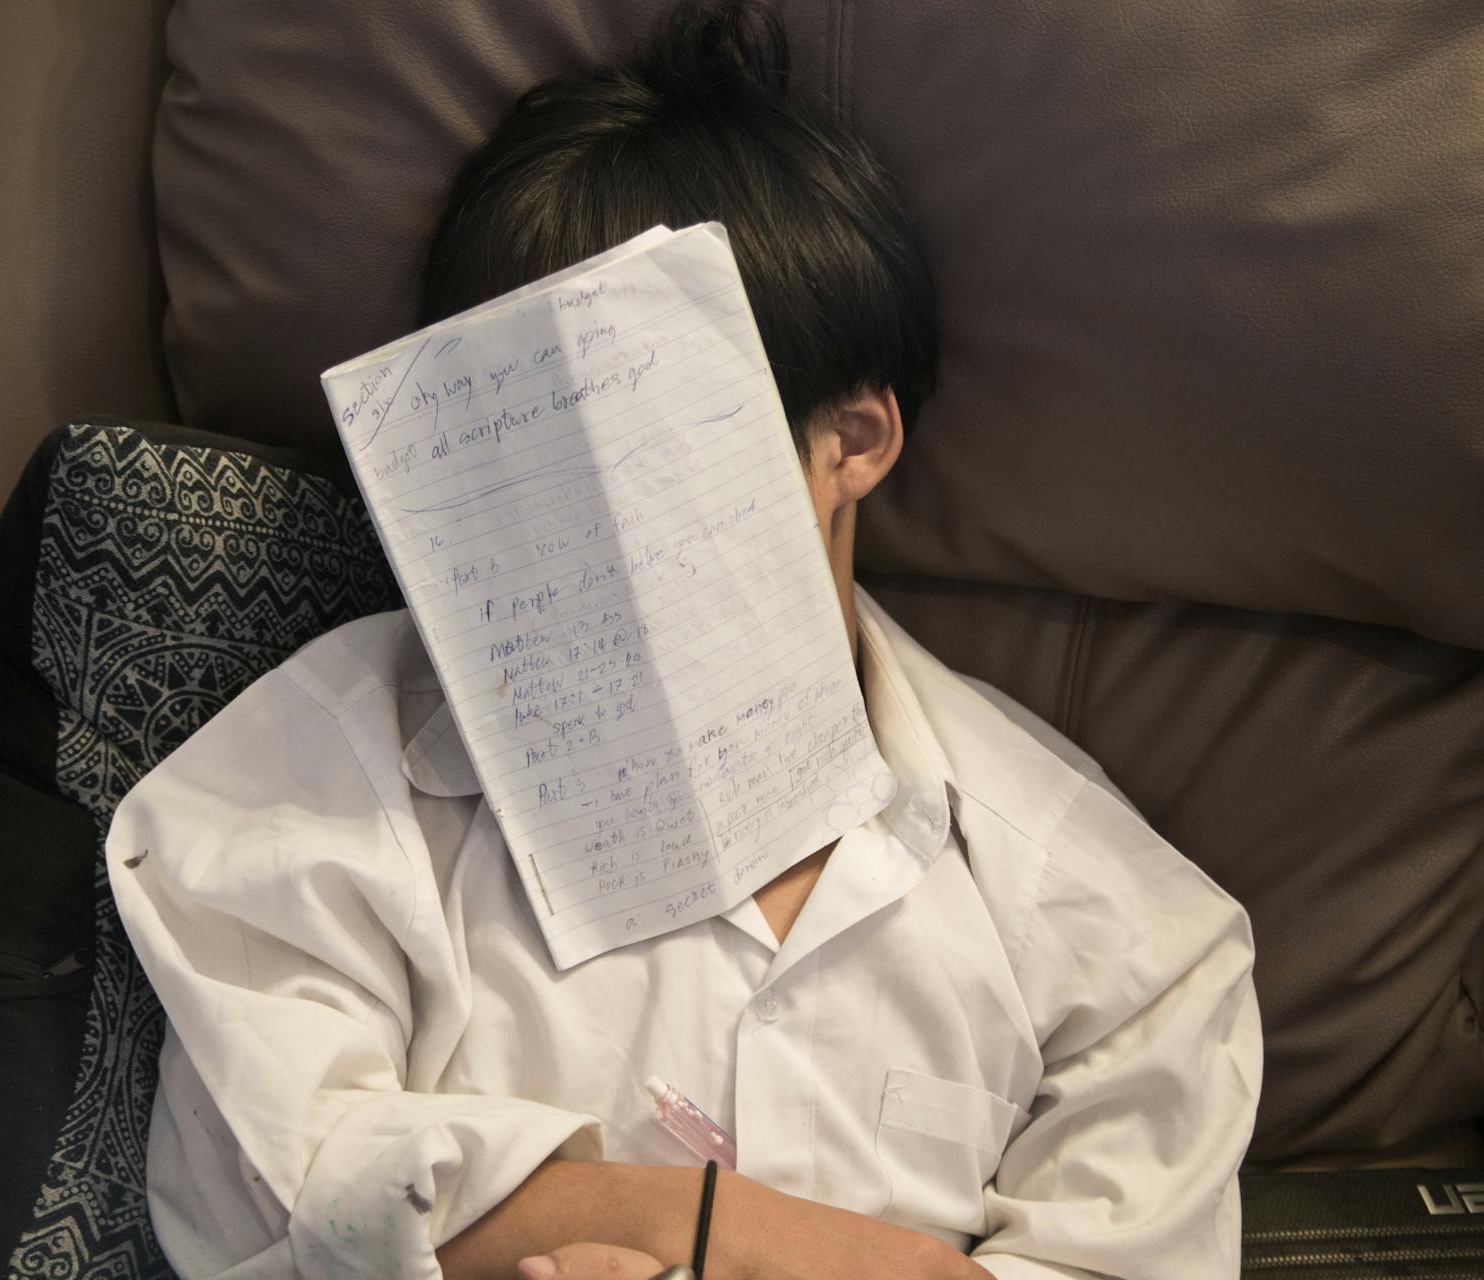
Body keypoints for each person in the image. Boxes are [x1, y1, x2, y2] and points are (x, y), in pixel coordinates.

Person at [107, 4, 1261, 1278]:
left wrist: (540, 1217)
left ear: (852, 442)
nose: (574, 521)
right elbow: (263, 1198)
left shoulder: (1106, 916)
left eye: (641, 441)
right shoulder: (319, 770)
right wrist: (742, 1232)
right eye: (511, 454)